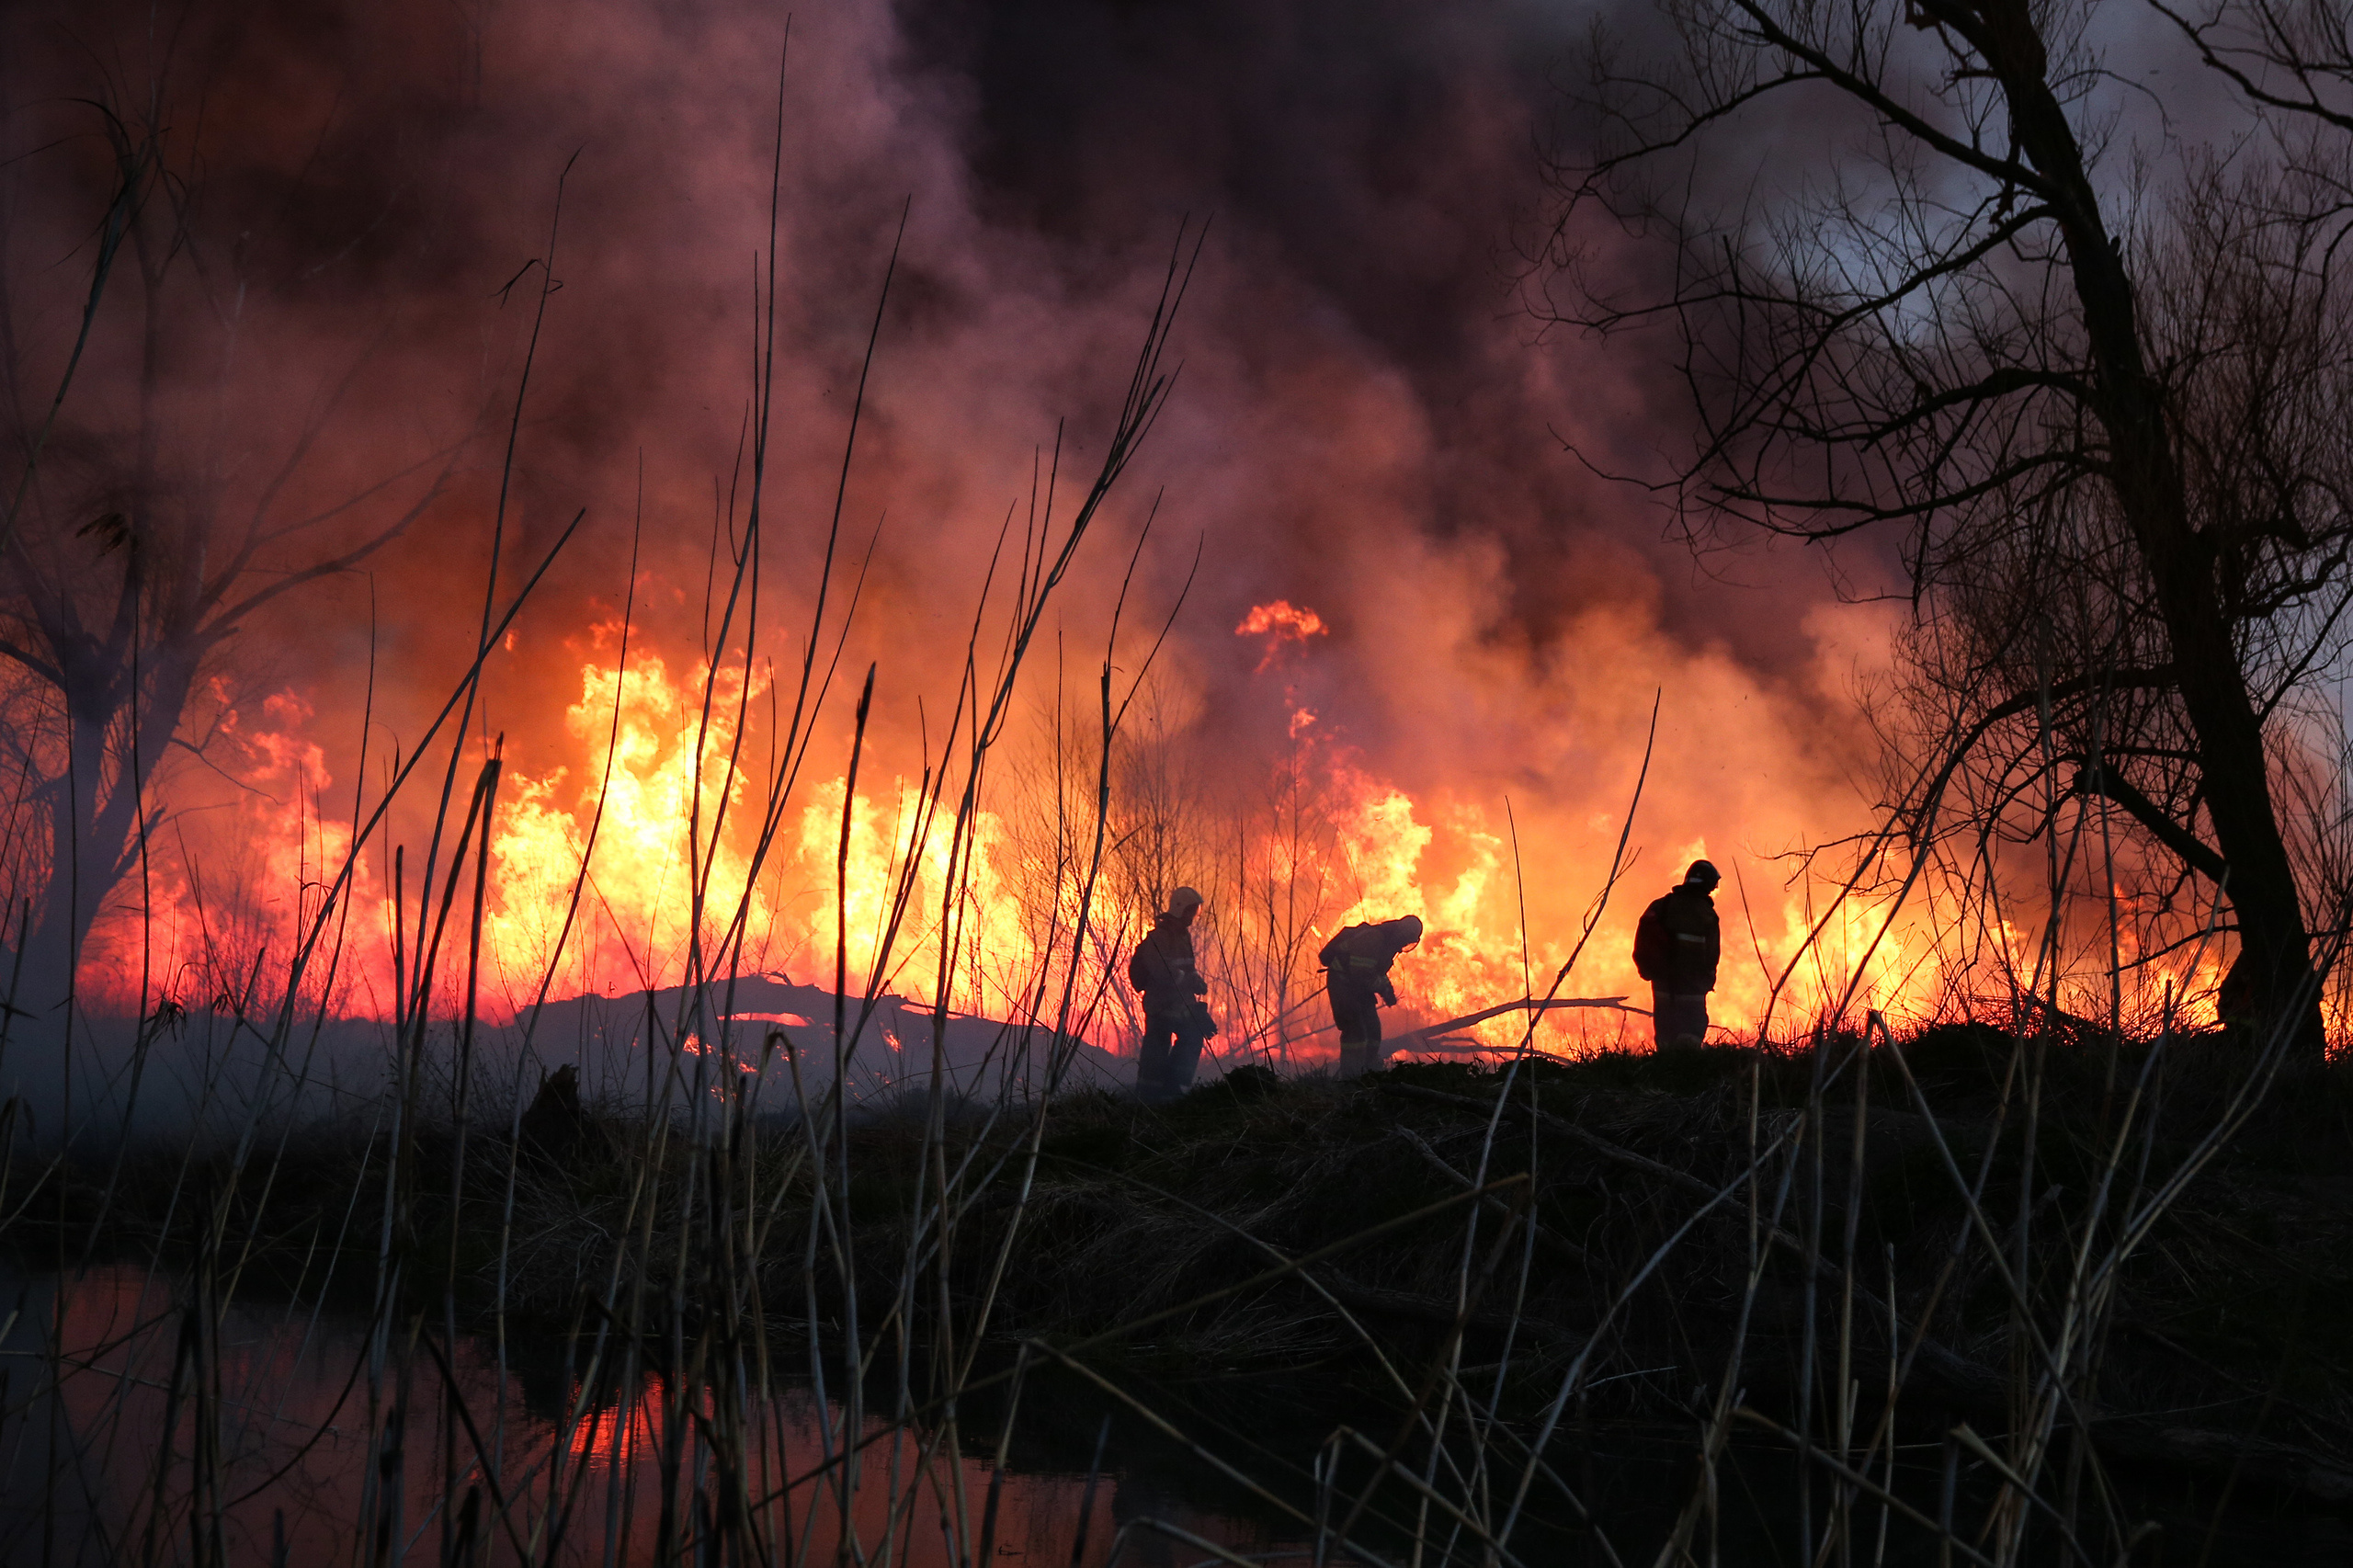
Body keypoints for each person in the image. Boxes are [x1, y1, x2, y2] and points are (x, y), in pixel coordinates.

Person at [1129, 886, 1213, 1102]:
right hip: (1160, 1005)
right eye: (1191, 910)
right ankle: (1148, 1097)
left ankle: (1174, 1090)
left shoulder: (1183, 936)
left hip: (1181, 1003)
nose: (1193, 915)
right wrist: (1187, 980)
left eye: (1196, 910)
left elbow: (1187, 967)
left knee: (1193, 1036)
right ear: (1180, 908)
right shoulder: (1159, 938)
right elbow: (1161, 971)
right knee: (1156, 1049)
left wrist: (1197, 981)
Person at [1319, 915, 1424, 1075]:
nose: (1404, 944)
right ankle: (1350, 1075)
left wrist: (1388, 989)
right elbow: (1362, 974)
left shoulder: (1389, 943)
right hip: (1342, 983)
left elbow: (1377, 971)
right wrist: (1382, 988)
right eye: (1405, 939)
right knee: (1355, 1030)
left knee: (1373, 1029)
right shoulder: (1373, 938)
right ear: (1400, 932)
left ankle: (1369, 1070)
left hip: (1359, 987)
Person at [1633, 859, 1722, 1051]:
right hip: (1692, 991)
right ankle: (1685, 1069)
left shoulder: (1661, 906)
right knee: (1691, 1038)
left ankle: (1666, 1068)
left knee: (1666, 1039)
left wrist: (1648, 971)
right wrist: (1706, 982)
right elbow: (1711, 956)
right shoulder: (1706, 914)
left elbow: (1642, 942)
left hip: (1663, 988)